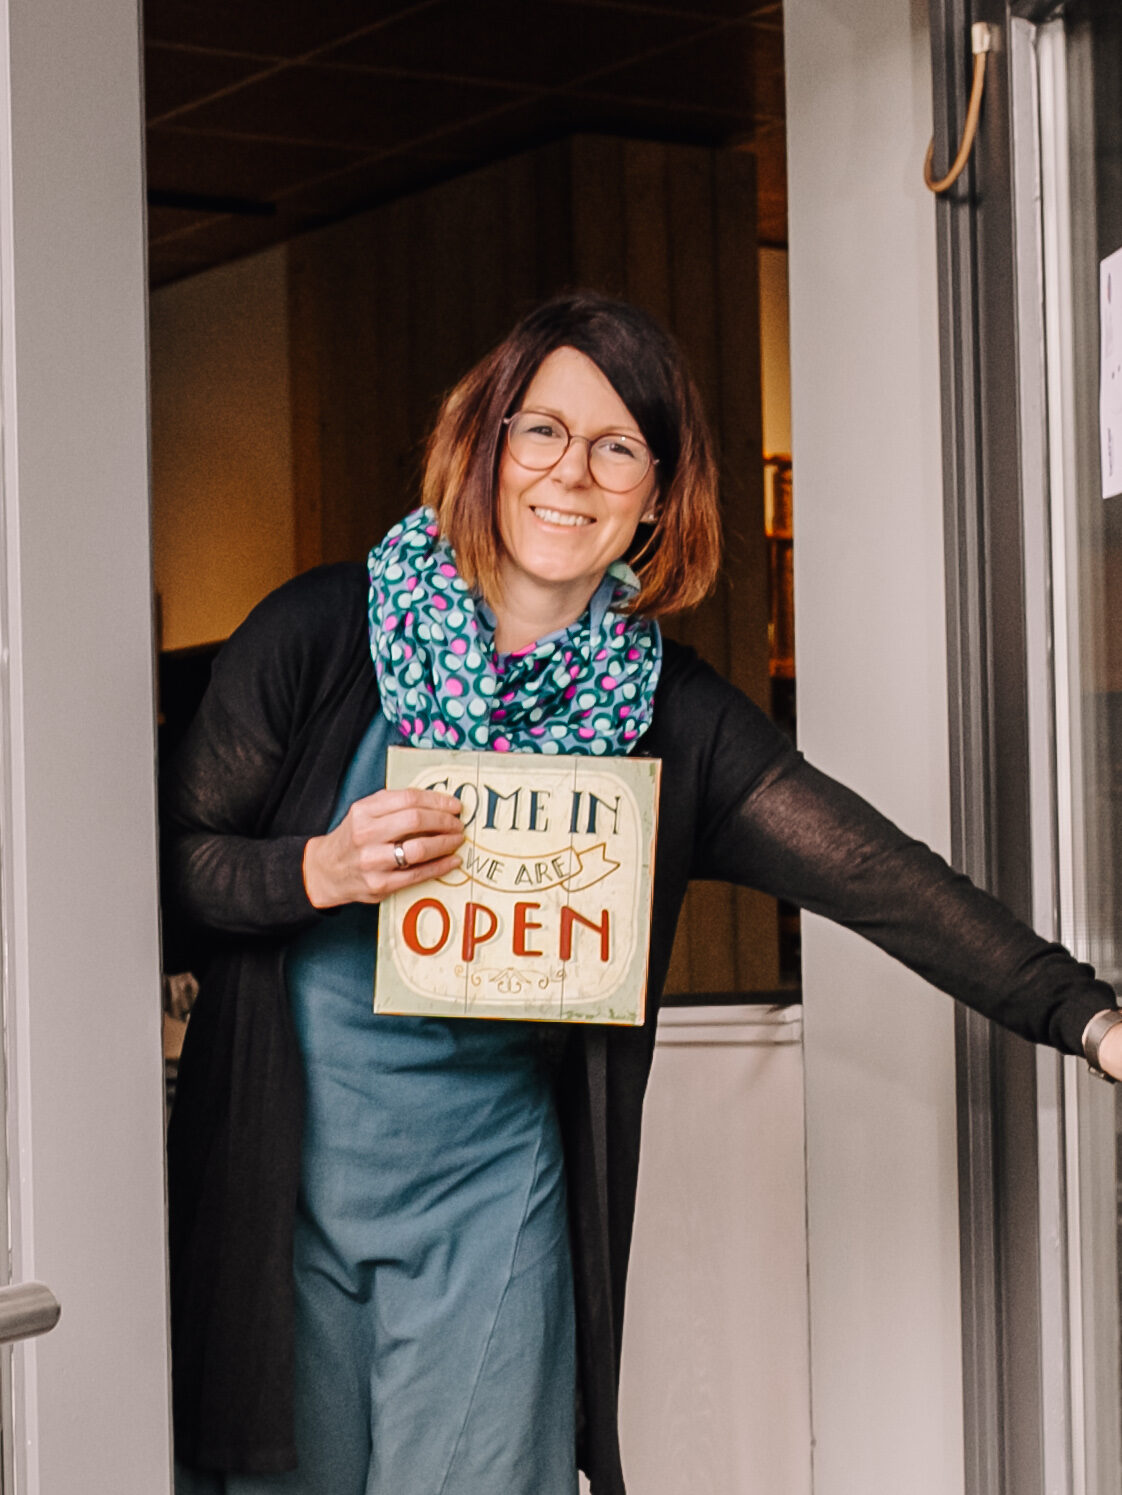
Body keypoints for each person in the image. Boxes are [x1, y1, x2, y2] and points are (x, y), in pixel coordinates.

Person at [163, 291, 1122, 1495]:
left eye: (620, 446)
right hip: (281, 1197)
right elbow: (167, 874)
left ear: (658, 496)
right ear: (487, 446)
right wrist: (317, 867)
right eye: (542, 431)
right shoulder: (321, 632)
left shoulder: (671, 714)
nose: (574, 471)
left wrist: (1090, 1018)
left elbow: (880, 877)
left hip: (488, 1215)